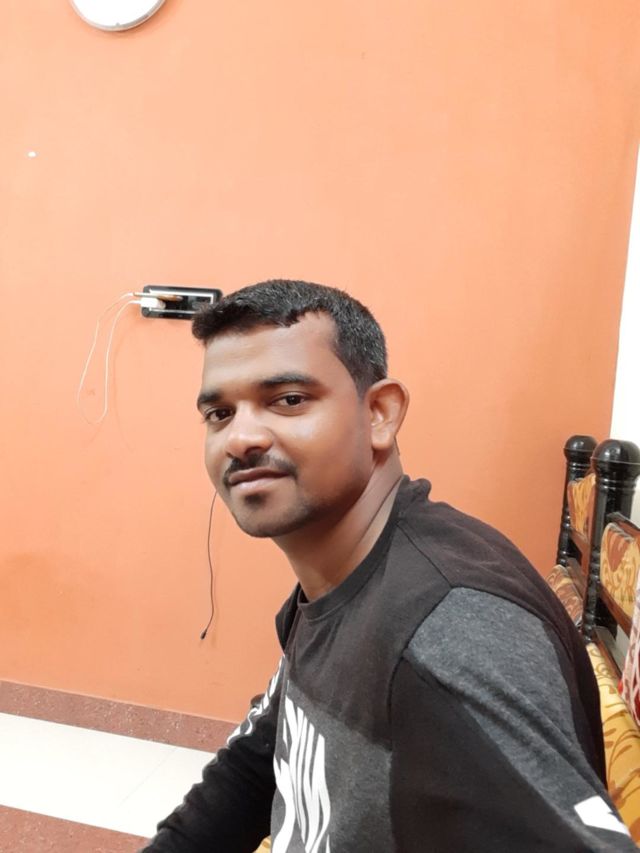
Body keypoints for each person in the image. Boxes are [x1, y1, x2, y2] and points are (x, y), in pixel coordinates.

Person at [141, 280, 634, 852]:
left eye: (289, 400)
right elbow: (257, 762)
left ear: (379, 413)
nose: (241, 438)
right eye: (219, 413)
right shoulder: (338, 582)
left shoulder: (449, 632)